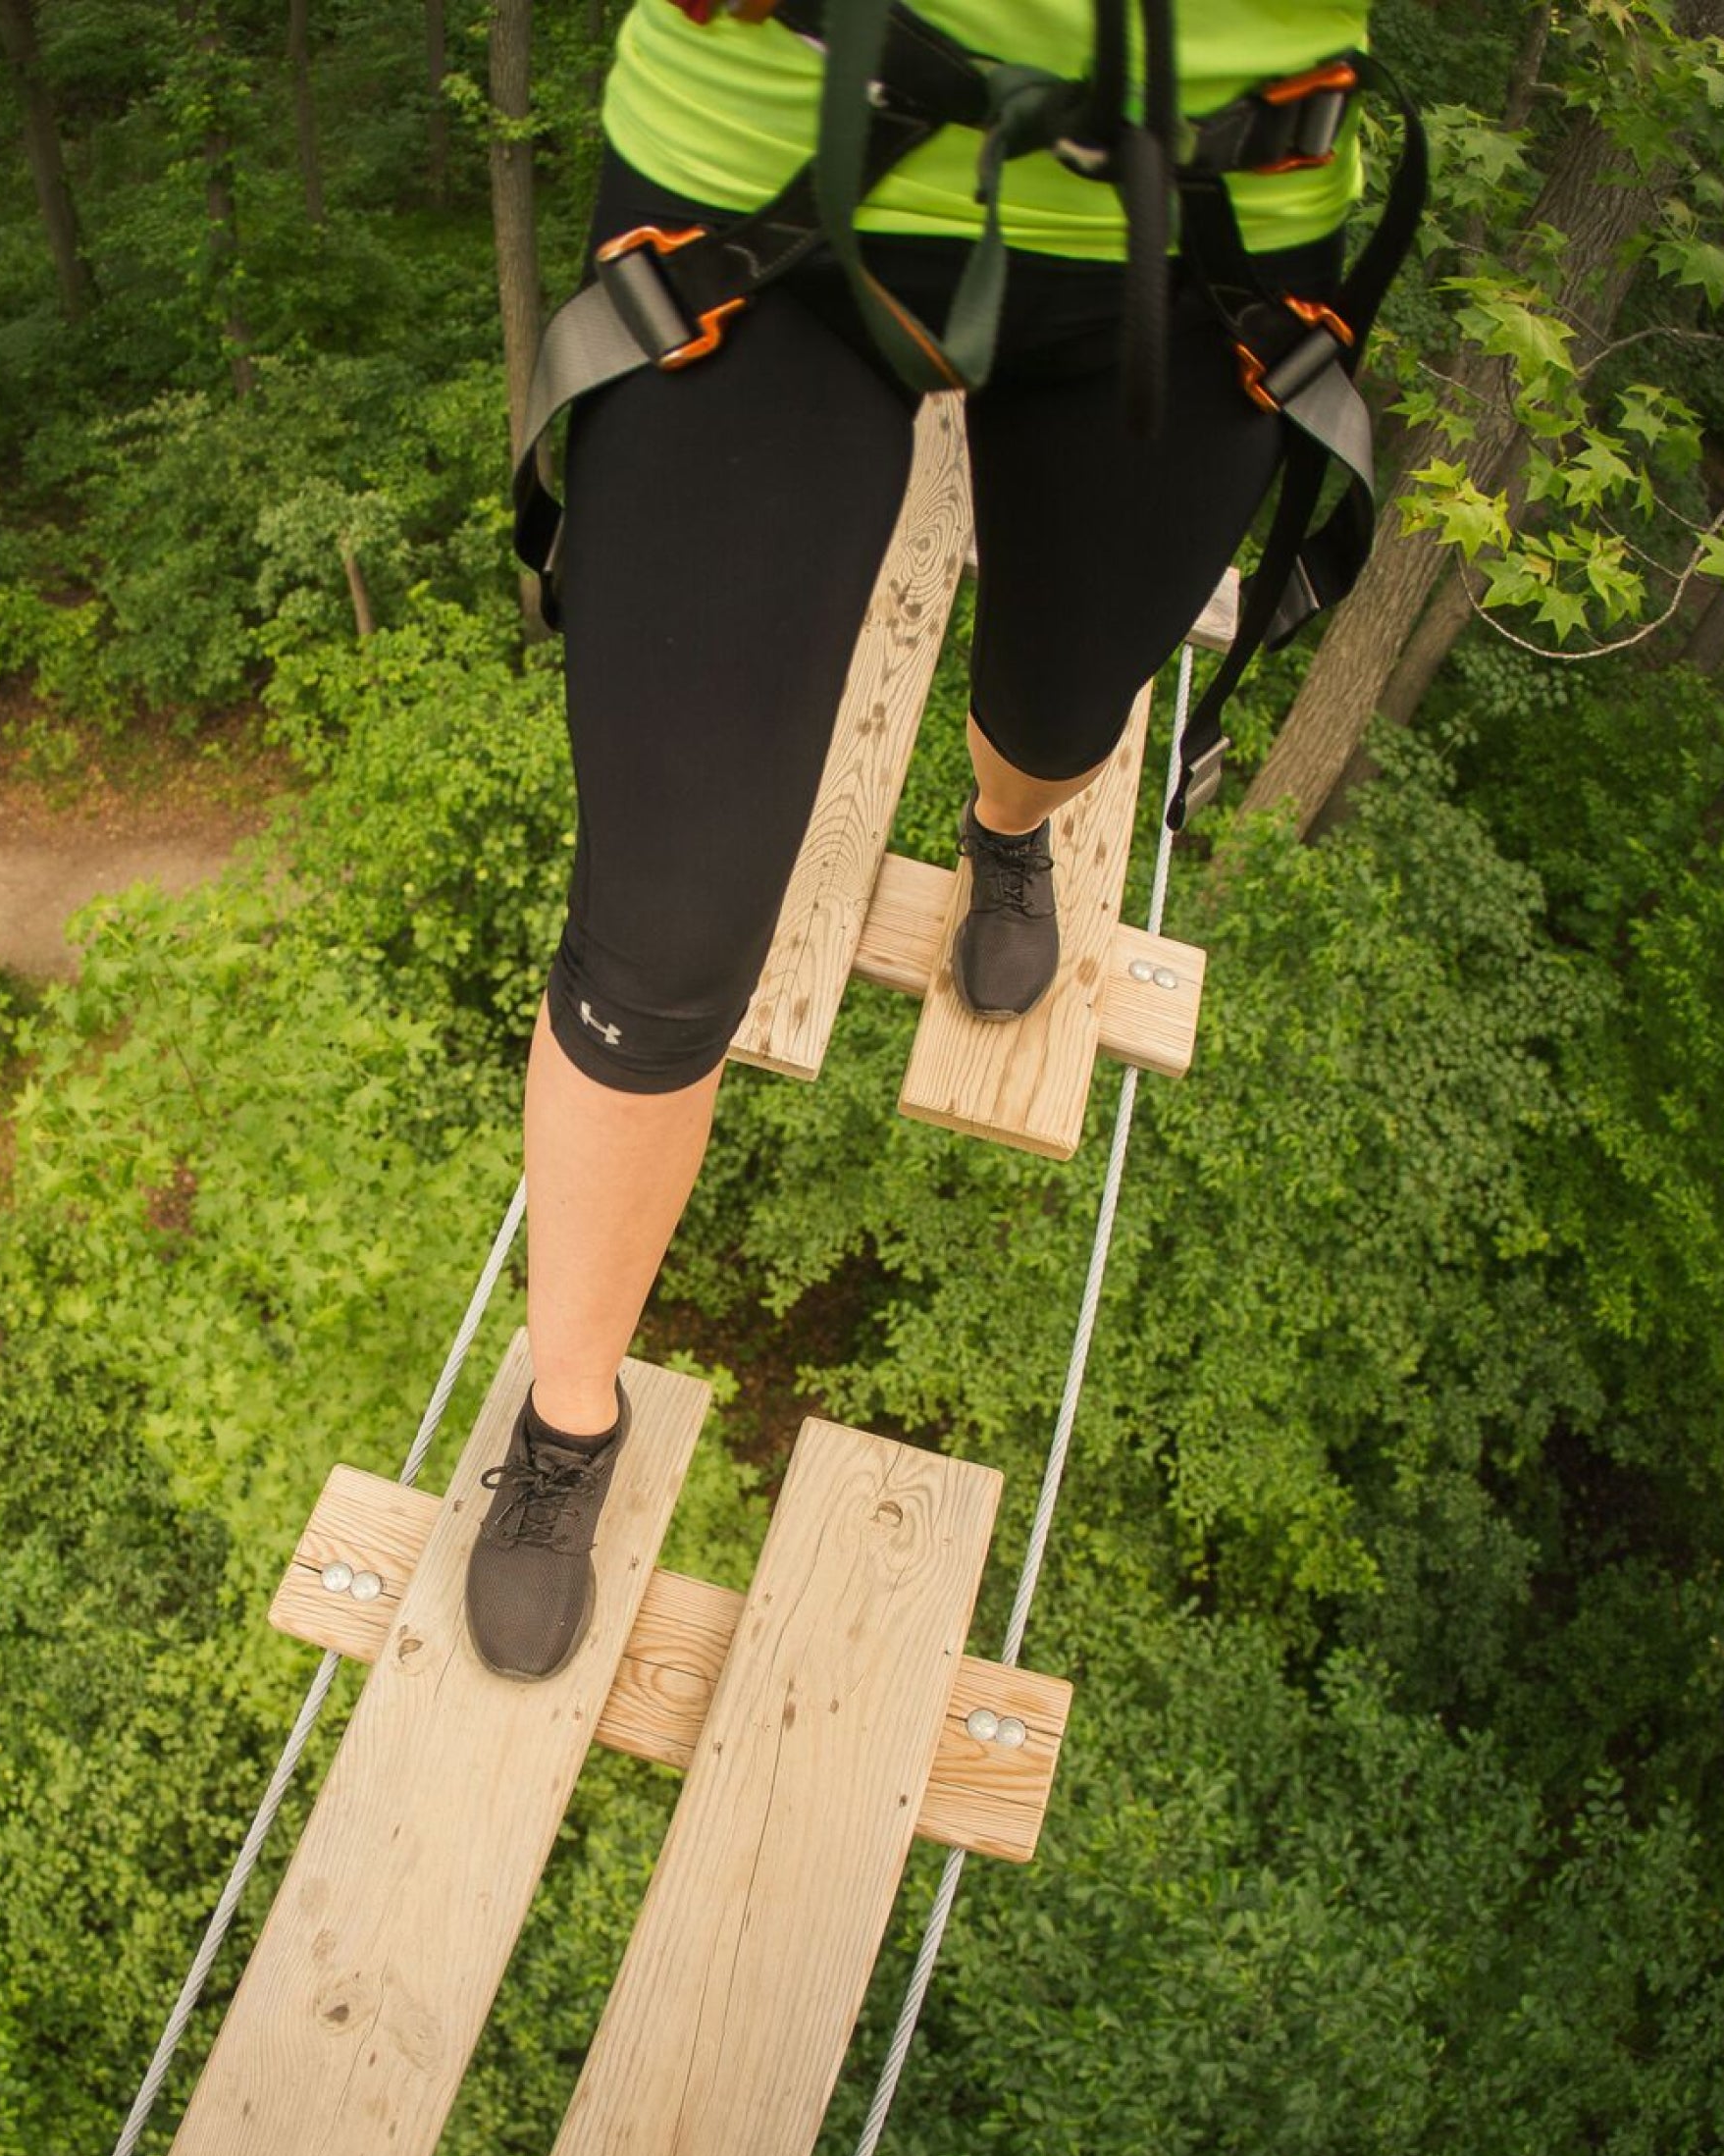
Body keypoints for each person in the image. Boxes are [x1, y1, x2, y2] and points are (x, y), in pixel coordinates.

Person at [462, 0, 1371, 1685]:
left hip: (1196, 225)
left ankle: (1004, 826)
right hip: (764, 172)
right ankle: (568, 1418)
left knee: (1059, 718)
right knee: (655, 935)